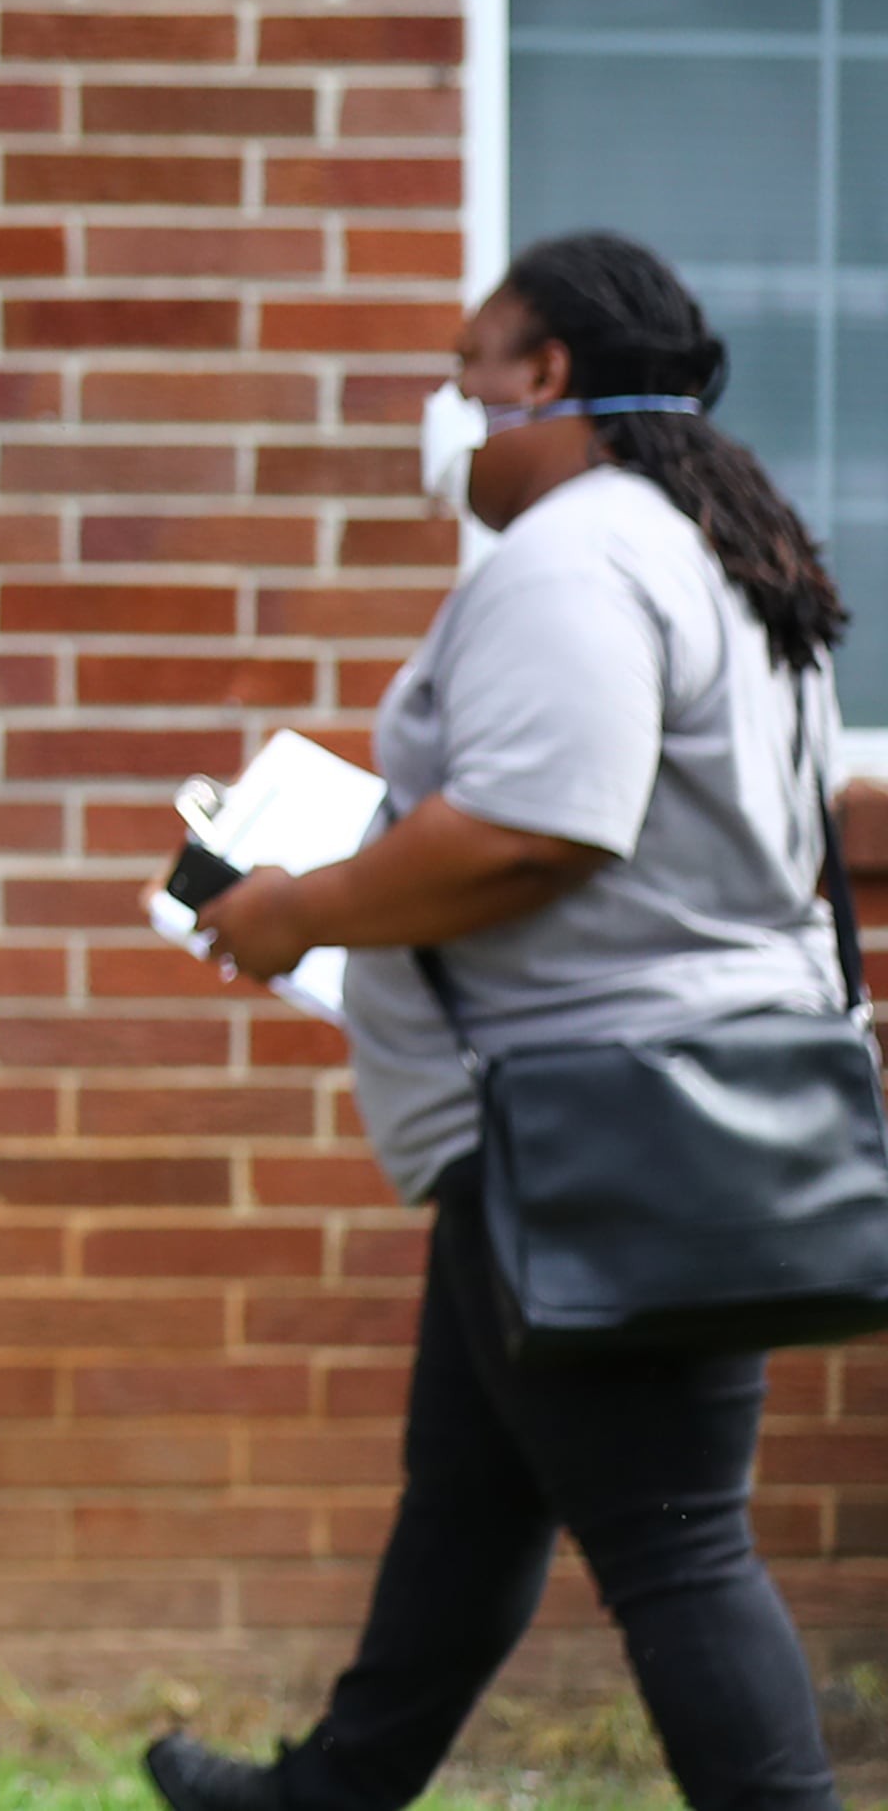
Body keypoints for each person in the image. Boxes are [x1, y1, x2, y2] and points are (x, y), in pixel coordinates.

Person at [150, 231, 854, 1811]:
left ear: (544, 376)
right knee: (471, 1493)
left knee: (676, 1545)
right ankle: (325, 1796)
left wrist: (296, 910)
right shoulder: (700, 538)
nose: (449, 408)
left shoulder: (577, 555)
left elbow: (538, 831)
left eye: (470, 369)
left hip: (603, 1128)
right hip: (614, 1111)